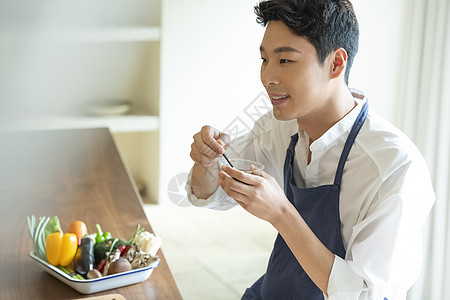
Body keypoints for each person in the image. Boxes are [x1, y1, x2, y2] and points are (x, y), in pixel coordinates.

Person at [185, 0, 435, 299]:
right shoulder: (279, 127)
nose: (268, 78)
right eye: (264, 60)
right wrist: (206, 161)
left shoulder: (394, 167)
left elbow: (363, 294)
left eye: (285, 60)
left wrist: (280, 213)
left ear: (336, 64)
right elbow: (210, 194)